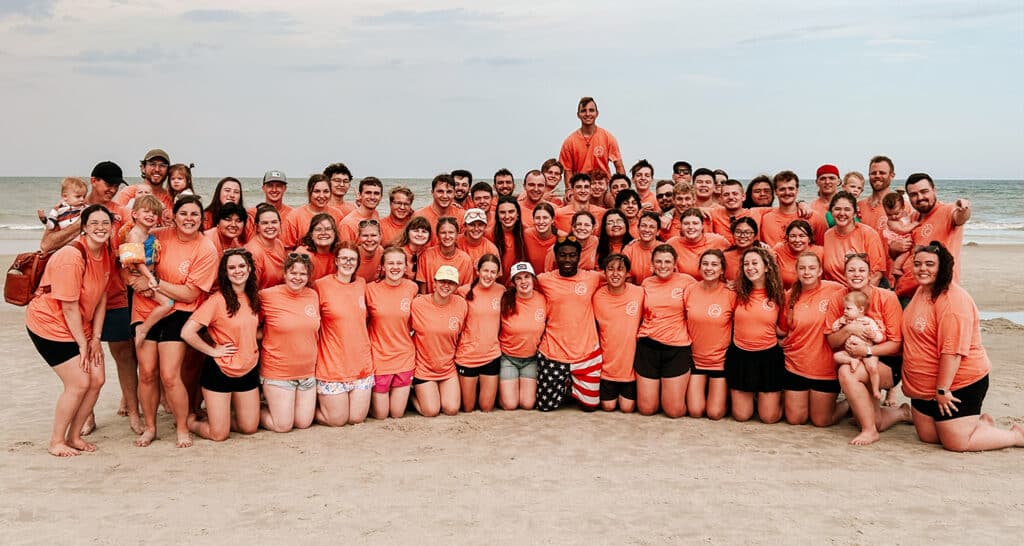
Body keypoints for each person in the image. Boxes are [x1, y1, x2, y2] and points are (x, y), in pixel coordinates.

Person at [41, 162, 137, 434]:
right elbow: (46, 244)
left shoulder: (120, 213)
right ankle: (87, 416)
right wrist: (84, 221)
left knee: (124, 354)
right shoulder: (67, 208)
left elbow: (134, 237)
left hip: (114, 294)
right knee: (83, 359)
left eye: (117, 185)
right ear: (94, 181)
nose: (113, 189)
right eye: (108, 184)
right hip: (79, 299)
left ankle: (132, 411)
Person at [901, 242, 1024, 451]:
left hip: (957, 382)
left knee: (956, 443)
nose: (923, 269)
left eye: (930, 264)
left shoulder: (953, 301)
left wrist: (942, 389)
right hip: (923, 387)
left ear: (943, 267)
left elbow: (952, 352)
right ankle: (980, 425)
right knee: (929, 437)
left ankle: (1014, 435)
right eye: (918, 264)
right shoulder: (922, 291)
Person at [128, 194, 218, 448]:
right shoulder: (158, 234)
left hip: (180, 312)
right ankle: (150, 428)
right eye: (184, 213)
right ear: (174, 216)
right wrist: (134, 278)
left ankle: (181, 427)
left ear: (202, 219)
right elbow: (130, 251)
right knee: (146, 373)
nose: (189, 219)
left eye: (195, 215)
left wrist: (155, 283)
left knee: (169, 376)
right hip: (145, 307)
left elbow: (190, 293)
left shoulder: (205, 248)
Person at [26, 204, 114, 457]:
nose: (100, 228)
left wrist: (95, 338)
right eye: (94, 223)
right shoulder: (71, 256)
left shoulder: (105, 252)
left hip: (81, 325)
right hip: (50, 323)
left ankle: (74, 436)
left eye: (105, 223)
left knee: (97, 379)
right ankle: (56, 441)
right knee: (78, 382)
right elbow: (69, 307)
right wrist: (82, 344)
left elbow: (102, 298)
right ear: (84, 227)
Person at [180, 248, 261, 442]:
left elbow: (252, 329)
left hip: (248, 368)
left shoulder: (254, 298)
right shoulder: (217, 301)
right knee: (219, 435)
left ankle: (220, 418)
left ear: (249, 269)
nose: (237, 271)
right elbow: (187, 332)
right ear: (225, 272)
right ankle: (190, 421)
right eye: (231, 267)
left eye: (241, 266)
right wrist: (213, 351)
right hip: (220, 370)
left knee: (249, 428)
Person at [830, 253, 910, 445]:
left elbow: (896, 344)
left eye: (861, 270)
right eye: (851, 270)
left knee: (847, 372)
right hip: (856, 357)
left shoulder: (887, 297)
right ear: (844, 274)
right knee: (878, 421)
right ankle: (902, 413)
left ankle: (869, 432)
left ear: (870, 274)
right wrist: (849, 328)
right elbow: (832, 341)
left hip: (886, 361)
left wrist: (866, 351)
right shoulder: (839, 298)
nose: (856, 274)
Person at [780, 252, 849, 426]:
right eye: (802, 268)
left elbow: (860, 298)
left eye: (812, 268)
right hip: (795, 365)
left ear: (820, 271)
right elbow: (781, 329)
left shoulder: (836, 290)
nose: (807, 272)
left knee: (821, 421)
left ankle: (850, 404)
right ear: (796, 271)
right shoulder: (789, 296)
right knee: (796, 419)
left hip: (825, 369)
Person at [535, 236, 604, 411]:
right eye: (563, 255)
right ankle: (565, 384)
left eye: (572, 255)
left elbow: (619, 277)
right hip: (554, 351)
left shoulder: (593, 278)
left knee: (590, 407)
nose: (567, 260)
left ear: (579, 257)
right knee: (545, 406)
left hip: (586, 351)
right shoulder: (543, 280)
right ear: (556, 257)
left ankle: (570, 385)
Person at [258, 253, 320, 432]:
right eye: (293, 273)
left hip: (307, 373)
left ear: (308, 277)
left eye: (302, 274)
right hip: (278, 372)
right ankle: (253, 409)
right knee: (283, 426)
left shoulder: (312, 295)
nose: (297, 277)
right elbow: (248, 323)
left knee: (303, 423)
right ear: (284, 273)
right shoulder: (267, 296)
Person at [314, 242, 373, 426]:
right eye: (344, 258)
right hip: (332, 365)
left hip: (361, 364)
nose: (348, 262)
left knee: (356, 418)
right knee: (337, 420)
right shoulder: (321, 285)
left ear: (357, 263)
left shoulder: (362, 284)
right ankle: (305, 409)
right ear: (336, 261)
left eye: (352, 259)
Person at [636, 244, 696, 418]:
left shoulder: (687, 281)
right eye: (659, 262)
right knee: (647, 410)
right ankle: (660, 395)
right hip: (648, 346)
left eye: (667, 261)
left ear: (675, 263)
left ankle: (673, 397)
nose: (663, 265)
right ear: (652, 264)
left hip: (676, 347)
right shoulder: (646, 283)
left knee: (674, 411)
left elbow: (706, 293)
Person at [726, 247, 785, 423]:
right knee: (741, 416)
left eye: (755, 263)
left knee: (768, 418)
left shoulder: (779, 295)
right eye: (746, 264)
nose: (750, 267)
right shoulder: (736, 293)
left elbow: (782, 330)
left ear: (766, 266)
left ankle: (782, 398)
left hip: (768, 357)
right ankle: (753, 396)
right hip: (740, 356)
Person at [892, 173, 972, 299]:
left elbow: (960, 218)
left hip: (938, 292)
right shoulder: (913, 218)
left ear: (934, 190)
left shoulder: (947, 211)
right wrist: (894, 247)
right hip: (908, 291)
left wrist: (965, 208)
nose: (920, 197)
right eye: (913, 194)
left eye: (924, 192)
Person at [366, 246, 419, 419]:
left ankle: (413, 394)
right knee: (381, 415)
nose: (395, 267)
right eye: (390, 263)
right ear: (382, 266)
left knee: (396, 414)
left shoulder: (412, 288)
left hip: (404, 356)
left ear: (405, 267)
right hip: (380, 357)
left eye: (399, 263)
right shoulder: (370, 290)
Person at [410, 265, 468, 417]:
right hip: (424, 368)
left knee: (451, 409)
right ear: (434, 283)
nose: (446, 286)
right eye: (442, 281)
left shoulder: (461, 304)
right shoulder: (418, 304)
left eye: (451, 282)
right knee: (431, 411)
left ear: (456, 286)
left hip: (447, 368)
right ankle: (411, 397)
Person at [684, 249, 734, 420]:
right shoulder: (690, 290)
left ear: (722, 270)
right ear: (699, 268)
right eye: (705, 264)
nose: (709, 268)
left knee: (714, 413)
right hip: (695, 359)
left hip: (720, 361)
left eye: (714, 264)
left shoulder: (730, 293)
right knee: (696, 411)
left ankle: (726, 397)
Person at [119, 195, 174, 347]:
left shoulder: (148, 234)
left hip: (148, 276)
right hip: (140, 276)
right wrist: (150, 278)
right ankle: (143, 329)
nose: (151, 215)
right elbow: (137, 261)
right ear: (135, 214)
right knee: (168, 303)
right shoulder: (134, 235)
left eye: (155, 213)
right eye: (146, 211)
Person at [593, 253, 643, 413]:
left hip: (630, 369)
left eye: (620, 269)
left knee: (627, 408)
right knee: (608, 407)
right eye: (610, 269)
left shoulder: (639, 293)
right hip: (607, 368)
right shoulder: (597, 297)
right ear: (604, 273)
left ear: (628, 273)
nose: (615, 274)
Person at [455, 255, 504, 412]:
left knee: (487, 407)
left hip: (491, 354)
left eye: (493, 272)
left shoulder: (501, 291)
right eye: (485, 271)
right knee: (467, 408)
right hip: (467, 355)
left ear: (497, 274)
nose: (488, 275)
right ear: (478, 271)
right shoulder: (463, 291)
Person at [498, 262, 546, 411]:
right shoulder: (505, 300)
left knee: (527, 404)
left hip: (531, 359)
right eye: (518, 278)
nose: (523, 282)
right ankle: (499, 394)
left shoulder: (542, 300)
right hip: (508, 358)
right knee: (510, 405)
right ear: (513, 282)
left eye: (527, 277)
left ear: (533, 279)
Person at [822, 191, 886, 285]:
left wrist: (858, 298)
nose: (842, 213)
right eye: (837, 209)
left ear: (854, 213)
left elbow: (876, 274)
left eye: (847, 209)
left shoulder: (868, 233)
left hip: (863, 292)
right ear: (831, 212)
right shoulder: (827, 235)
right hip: (835, 292)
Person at [831, 291, 886, 399]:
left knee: (873, 368)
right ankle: (852, 361)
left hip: (866, 351)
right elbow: (834, 328)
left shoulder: (868, 321)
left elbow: (879, 338)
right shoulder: (845, 320)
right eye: (844, 308)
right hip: (850, 352)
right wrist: (839, 323)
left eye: (848, 308)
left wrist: (873, 335)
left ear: (860, 309)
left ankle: (875, 390)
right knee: (836, 356)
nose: (845, 311)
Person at [558, 96, 624, 184]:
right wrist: (569, 190)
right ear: (578, 115)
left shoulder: (608, 137)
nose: (588, 114)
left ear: (597, 113)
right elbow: (567, 171)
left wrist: (623, 190)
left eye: (591, 110)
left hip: (603, 187)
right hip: (581, 188)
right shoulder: (569, 142)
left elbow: (619, 166)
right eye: (583, 111)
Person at [759, 170, 827, 247]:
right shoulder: (766, 219)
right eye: (782, 189)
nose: (787, 192)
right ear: (775, 192)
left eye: (791, 188)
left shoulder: (814, 217)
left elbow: (822, 249)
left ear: (797, 190)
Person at [281, 174, 344, 249]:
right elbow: (287, 249)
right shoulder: (294, 216)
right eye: (317, 191)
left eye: (326, 191)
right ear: (309, 192)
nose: (321, 196)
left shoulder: (337, 214)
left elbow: (340, 245)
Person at [665, 208, 730, 278]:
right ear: (681, 226)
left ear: (702, 226)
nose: (690, 227)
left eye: (695, 223)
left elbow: (732, 259)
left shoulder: (718, 241)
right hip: (684, 286)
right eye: (686, 224)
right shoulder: (672, 244)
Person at [417, 216, 474, 294]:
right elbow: (422, 287)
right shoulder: (426, 255)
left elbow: (466, 289)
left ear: (457, 235)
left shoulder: (465, 260)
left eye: (451, 232)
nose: (447, 236)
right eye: (443, 233)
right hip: (431, 301)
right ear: (437, 236)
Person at [113, 149, 173, 214]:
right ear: (143, 168)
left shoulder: (170, 198)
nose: (157, 169)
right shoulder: (129, 192)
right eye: (152, 164)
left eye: (162, 165)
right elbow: (117, 218)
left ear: (168, 170)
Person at [772, 219, 825, 291]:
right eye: (793, 236)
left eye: (801, 236)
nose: (797, 240)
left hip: (815, 293)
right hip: (787, 295)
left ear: (809, 238)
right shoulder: (779, 249)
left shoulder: (821, 252)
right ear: (787, 238)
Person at [857, 156, 904, 235]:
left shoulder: (902, 205)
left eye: (882, 173)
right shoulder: (859, 206)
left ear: (892, 175)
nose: (877, 176)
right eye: (873, 173)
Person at [245, 204, 287, 289]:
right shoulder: (253, 252)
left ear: (280, 224)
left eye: (274, 222)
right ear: (257, 227)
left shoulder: (279, 244)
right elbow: (252, 289)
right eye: (265, 223)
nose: (270, 226)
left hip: (277, 292)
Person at [882, 191, 918, 283]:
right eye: (889, 214)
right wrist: (914, 224)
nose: (893, 216)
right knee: (905, 252)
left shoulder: (905, 214)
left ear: (903, 208)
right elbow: (902, 230)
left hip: (902, 237)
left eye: (896, 213)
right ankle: (896, 267)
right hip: (896, 238)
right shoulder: (891, 222)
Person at [722, 217, 772, 282]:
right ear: (733, 234)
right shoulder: (724, 256)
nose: (742, 236)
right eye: (738, 232)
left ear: (755, 236)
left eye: (747, 232)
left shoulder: (764, 255)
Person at [293, 213, 340, 280]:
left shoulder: (340, 254)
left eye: (328, 229)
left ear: (334, 233)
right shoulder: (302, 255)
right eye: (318, 229)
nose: (323, 233)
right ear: (311, 235)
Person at [246, 171, 291, 239]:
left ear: (284, 188)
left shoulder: (292, 214)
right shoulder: (251, 214)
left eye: (278, 186)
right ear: (263, 188)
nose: (274, 189)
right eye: (270, 185)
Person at [338, 176, 383, 241]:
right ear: (359, 195)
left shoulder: (375, 214)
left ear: (381, 197)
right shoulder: (347, 224)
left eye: (376, 193)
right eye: (368, 193)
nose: (372, 197)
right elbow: (344, 250)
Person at [622, 211, 661, 284]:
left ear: (658, 231)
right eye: (643, 225)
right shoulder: (629, 249)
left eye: (652, 227)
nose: (647, 230)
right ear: (638, 228)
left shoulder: (664, 250)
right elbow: (626, 277)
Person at [492, 197, 528, 276]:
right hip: (495, 282)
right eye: (502, 212)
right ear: (497, 216)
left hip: (518, 282)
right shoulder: (489, 234)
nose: (507, 216)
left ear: (518, 214)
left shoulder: (526, 233)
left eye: (511, 212)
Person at [523, 202, 557, 275]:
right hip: (532, 281)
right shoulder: (526, 235)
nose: (541, 222)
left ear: (553, 220)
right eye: (537, 218)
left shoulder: (560, 238)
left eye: (545, 218)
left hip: (552, 282)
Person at [395, 216, 432, 282]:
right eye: (416, 231)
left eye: (424, 231)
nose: (420, 234)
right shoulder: (397, 253)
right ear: (407, 232)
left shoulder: (429, 253)